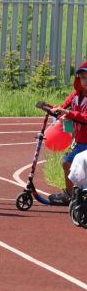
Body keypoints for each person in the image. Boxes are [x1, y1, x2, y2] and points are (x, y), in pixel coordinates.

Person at [47, 61, 87, 205]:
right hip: (80, 141)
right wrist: (51, 109)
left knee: (67, 162)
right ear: (78, 78)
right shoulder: (75, 96)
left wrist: (69, 113)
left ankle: (70, 195)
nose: (85, 81)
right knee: (68, 162)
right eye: (83, 77)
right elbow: (62, 108)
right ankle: (75, 193)